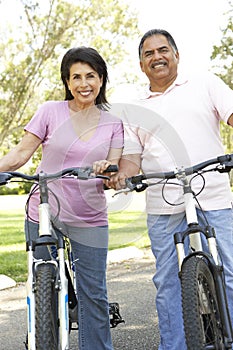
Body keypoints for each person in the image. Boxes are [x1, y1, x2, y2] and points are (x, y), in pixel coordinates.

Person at [109, 29, 233, 349]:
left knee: (229, 271)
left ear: (176, 55)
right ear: (141, 64)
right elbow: (132, 157)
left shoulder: (204, 83)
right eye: (149, 54)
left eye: (163, 50)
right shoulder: (133, 106)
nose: (157, 57)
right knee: (167, 282)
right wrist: (122, 176)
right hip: (162, 202)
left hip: (213, 195)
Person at [0, 46, 123, 350]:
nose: (84, 83)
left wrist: (106, 170)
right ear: (67, 82)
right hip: (44, 211)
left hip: (89, 215)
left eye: (91, 76)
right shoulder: (49, 111)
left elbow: (113, 174)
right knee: (43, 289)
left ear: (101, 79)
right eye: (76, 77)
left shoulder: (113, 122)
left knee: (94, 293)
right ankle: (42, 341)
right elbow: (20, 154)